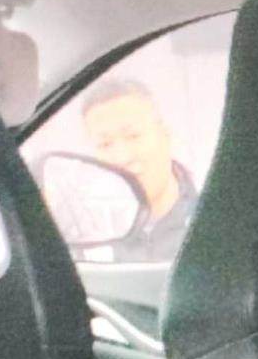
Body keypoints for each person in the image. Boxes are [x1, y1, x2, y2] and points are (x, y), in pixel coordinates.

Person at [80, 77, 197, 261]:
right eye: (105, 144)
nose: (123, 158)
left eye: (133, 136)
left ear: (165, 136)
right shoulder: (89, 240)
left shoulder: (214, 218)